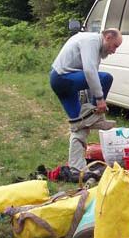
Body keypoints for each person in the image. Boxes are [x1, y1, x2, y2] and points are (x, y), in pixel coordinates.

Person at [50, 28, 123, 172]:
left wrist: (91, 103)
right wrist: (99, 100)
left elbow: (91, 80)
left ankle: (77, 168)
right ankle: (96, 118)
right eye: (115, 46)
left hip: (61, 81)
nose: (114, 51)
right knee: (106, 78)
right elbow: (90, 72)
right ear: (108, 37)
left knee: (79, 125)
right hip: (63, 79)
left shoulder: (95, 46)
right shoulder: (91, 41)